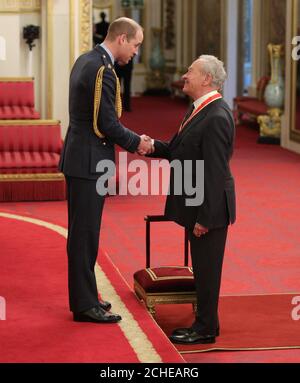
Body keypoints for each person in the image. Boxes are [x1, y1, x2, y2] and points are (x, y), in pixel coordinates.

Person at [59, 17, 151, 324]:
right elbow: (107, 124)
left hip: (80, 156)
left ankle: (87, 297)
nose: (136, 52)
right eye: (136, 44)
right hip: (88, 161)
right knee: (85, 236)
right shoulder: (102, 69)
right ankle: (85, 305)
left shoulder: (86, 59)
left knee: (84, 234)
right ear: (122, 39)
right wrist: (138, 143)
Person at [145, 55, 236, 344]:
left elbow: (215, 172)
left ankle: (206, 329)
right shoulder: (198, 109)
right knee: (202, 266)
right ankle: (207, 323)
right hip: (197, 205)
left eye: (190, 71)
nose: (185, 75)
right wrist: (150, 147)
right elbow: (177, 149)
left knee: (207, 270)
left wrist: (204, 219)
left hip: (209, 211)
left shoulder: (217, 116)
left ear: (206, 79)